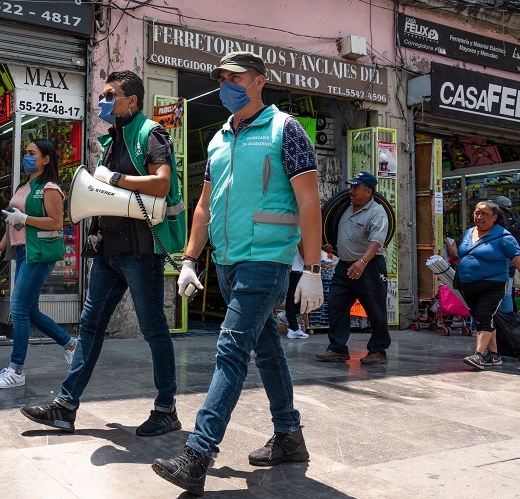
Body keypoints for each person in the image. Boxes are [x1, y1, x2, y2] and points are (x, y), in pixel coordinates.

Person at [151, 51, 325, 496]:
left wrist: (312, 267)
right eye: (222, 78)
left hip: (266, 261)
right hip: (226, 262)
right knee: (265, 349)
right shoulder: (218, 139)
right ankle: (289, 435)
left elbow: (308, 202)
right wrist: (189, 259)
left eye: (236, 77)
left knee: (231, 350)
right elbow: (204, 206)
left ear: (259, 81)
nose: (227, 84)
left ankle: (198, 453)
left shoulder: (287, 130)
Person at [19, 70, 186, 437]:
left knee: (154, 328)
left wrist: (116, 179)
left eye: (111, 95)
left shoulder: (150, 133)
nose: (103, 102)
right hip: (109, 252)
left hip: (140, 252)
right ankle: (65, 406)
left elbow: (162, 181)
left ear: (133, 101)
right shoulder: (114, 138)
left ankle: (166, 409)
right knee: (91, 327)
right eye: (103, 95)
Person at [0, 139, 77, 389]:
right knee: (31, 312)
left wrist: (24, 217)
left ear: (46, 159)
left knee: (18, 310)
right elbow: (12, 222)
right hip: (24, 252)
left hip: (39, 254)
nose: (27, 157)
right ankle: (71, 344)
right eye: (25, 153)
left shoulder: (50, 188)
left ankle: (16, 370)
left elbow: (57, 223)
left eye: (31, 153)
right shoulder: (24, 186)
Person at [317, 171, 391, 365]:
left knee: (375, 308)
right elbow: (333, 230)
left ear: (368, 192)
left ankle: (378, 350)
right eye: (350, 187)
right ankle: (337, 348)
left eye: (356, 187)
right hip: (344, 265)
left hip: (369, 266)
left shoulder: (377, 212)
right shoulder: (345, 208)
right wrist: (330, 246)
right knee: (336, 304)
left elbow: (377, 240)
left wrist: (363, 262)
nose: (351, 191)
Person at [457, 200, 520, 369]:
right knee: (484, 318)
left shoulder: (503, 236)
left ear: (495, 217)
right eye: (477, 213)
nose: (479, 217)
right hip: (468, 284)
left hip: (493, 284)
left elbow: (518, 258)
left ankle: (478, 355)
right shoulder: (470, 232)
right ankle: (495, 355)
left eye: (484, 214)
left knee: (484, 317)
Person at [494, 195, 520, 313]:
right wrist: (517, 259)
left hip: (495, 262)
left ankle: (496, 320)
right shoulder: (518, 223)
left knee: (491, 294)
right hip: (511, 263)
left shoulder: (495, 224)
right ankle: (508, 321)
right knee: (507, 294)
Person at [278, 251, 310, 339]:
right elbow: (302, 248)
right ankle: (293, 328)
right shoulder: (300, 238)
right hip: (295, 271)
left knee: (297, 299)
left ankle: (287, 316)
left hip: (296, 270)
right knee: (294, 299)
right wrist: (311, 264)